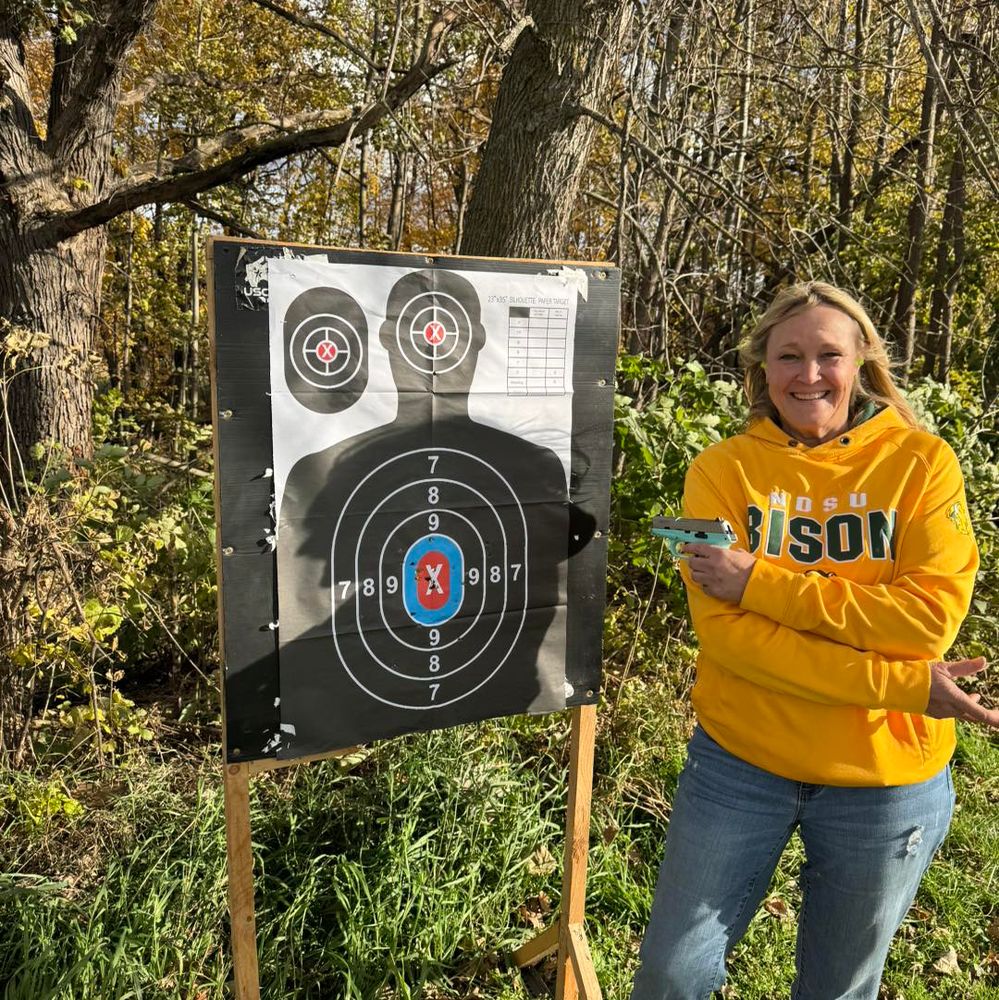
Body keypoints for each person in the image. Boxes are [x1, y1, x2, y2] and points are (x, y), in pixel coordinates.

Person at [630, 281, 997, 1000]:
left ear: (860, 362)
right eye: (787, 356)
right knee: (670, 976)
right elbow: (731, 641)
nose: (807, 375)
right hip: (738, 766)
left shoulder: (921, 464)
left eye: (828, 355)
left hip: (884, 781)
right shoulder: (721, 471)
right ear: (759, 369)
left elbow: (924, 621)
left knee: (837, 989)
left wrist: (759, 582)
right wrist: (904, 684)